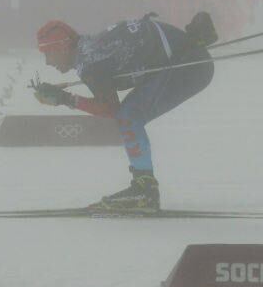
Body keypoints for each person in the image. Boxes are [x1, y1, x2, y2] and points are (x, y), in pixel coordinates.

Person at [32, 11, 216, 212]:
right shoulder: (90, 49)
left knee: (129, 116)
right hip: (190, 58)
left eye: (48, 54)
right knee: (129, 114)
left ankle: (144, 190)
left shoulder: (91, 62)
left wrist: (65, 99)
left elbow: (111, 110)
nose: (48, 62)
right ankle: (144, 187)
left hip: (191, 64)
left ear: (63, 47)